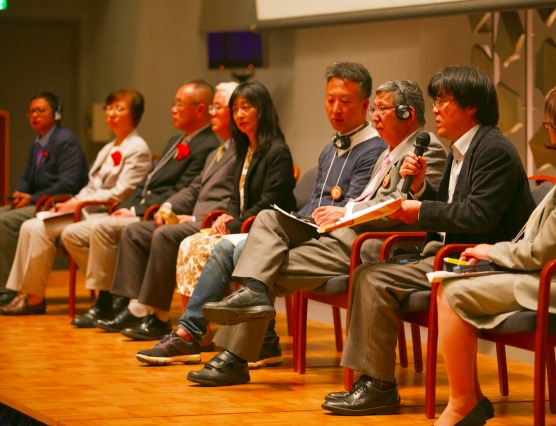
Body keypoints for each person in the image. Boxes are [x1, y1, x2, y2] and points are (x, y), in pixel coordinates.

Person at [188, 77, 449, 386]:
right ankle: (252, 302)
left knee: (260, 264)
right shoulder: (387, 153)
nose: (375, 117)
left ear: (407, 114)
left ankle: (234, 357)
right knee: (268, 219)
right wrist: (341, 215)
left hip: (369, 244)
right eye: (374, 110)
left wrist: (346, 212)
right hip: (340, 234)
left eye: (382, 109)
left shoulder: (426, 148)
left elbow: (400, 205)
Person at [135, 62, 390, 366]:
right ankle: (197, 333)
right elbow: (312, 205)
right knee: (226, 247)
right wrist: (292, 221)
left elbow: (349, 210)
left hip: (332, 241)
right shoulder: (328, 148)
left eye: (344, 101)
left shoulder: (373, 149)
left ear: (364, 105)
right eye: (330, 100)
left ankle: (228, 343)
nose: (335, 109)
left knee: (247, 249)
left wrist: (294, 225)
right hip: (309, 229)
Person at [320, 65, 535, 416]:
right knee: (366, 273)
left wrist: (419, 208)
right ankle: (372, 381)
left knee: (374, 279)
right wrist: (421, 188)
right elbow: (451, 207)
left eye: (442, 101)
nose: (434, 110)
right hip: (447, 252)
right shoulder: (461, 150)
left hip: (476, 260)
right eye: (434, 101)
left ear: (471, 106)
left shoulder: (493, 149)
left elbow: (479, 216)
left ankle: (379, 387)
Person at [434, 84, 556, 425]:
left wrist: (493, 251)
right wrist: (493, 256)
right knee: (451, 282)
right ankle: (469, 399)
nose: (546, 125)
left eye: (550, 120)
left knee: (452, 291)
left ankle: (463, 403)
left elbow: (543, 252)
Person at [97, 81, 297, 342]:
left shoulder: (275, 151)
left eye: (245, 108)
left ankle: (192, 328)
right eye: (235, 109)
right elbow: (231, 197)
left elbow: (270, 203)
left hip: (257, 229)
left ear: (263, 110)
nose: (239, 114)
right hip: (235, 224)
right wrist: (225, 215)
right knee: (153, 235)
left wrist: (227, 221)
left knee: (186, 242)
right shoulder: (244, 149)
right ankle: (175, 322)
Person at [61, 80, 218, 328]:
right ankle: (117, 295)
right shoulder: (176, 140)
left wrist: (139, 210)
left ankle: (110, 300)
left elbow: (184, 189)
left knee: (104, 229)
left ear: (199, 110)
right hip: (146, 209)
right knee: (72, 234)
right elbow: (147, 182)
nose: (173, 109)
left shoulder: (209, 144)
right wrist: (129, 206)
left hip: (160, 213)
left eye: (179, 104)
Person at [1, 89, 152, 315]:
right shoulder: (108, 148)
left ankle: (108, 289)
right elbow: (91, 186)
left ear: (135, 115)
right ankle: (30, 295)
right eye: (109, 108)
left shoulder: (137, 148)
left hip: (105, 212)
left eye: (119, 109)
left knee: (44, 228)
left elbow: (121, 193)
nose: (111, 113)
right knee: (31, 226)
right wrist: (73, 201)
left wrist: (79, 203)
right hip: (86, 207)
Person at [0, 92, 88, 305]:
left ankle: (8, 289)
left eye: (40, 110)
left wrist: (32, 199)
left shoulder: (66, 141)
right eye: (31, 111)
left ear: (56, 114)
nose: (34, 115)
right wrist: (19, 194)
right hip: (39, 202)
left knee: (3, 221)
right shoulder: (38, 142)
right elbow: (26, 177)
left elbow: (68, 184)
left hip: (58, 205)